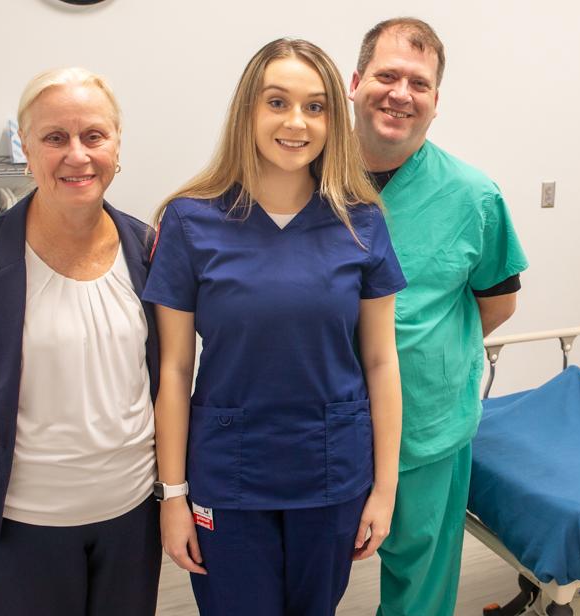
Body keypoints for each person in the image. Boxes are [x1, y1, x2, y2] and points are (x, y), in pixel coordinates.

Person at [144, 39, 405, 616]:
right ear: (248, 113)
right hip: (227, 474)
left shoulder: (360, 223)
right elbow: (174, 368)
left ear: (334, 119)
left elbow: (383, 363)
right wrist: (173, 496)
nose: (297, 122)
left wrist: (383, 490)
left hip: (332, 470)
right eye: (278, 102)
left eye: (316, 107)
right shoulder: (191, 221)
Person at [0, 67, 161, 615]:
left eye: (93, 136)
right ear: (26, 150)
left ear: (116, 145)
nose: (76, 155)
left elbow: (159, 372)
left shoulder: (147, 249)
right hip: (26, 522)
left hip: (130, 514)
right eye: (55, 138)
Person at [349, 18, 529, 616]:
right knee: (312, 573)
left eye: (418, 83)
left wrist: (425, 347)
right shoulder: (305, 175)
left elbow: (497, 302)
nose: (401, 93)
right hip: (325, 418)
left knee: (421, 586)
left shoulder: (473, 196)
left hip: (428, 421)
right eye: (387, 75)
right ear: (355, 82)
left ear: (435, 102)